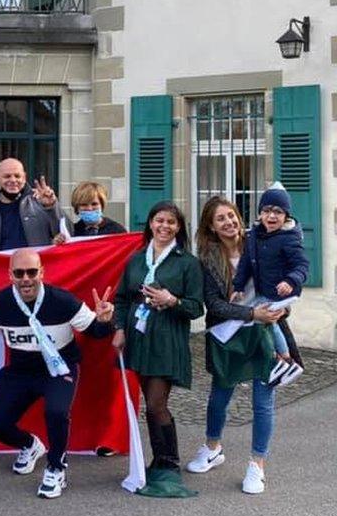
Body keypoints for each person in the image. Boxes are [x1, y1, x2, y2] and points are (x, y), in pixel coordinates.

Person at [0, 249, 116, 499]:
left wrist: (105, 320)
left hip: (59, 369)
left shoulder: (63, 301)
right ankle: (30, 445)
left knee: (56, 411)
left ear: (42, 273)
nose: (26, 278)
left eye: (32, 272)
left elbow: (96, 332)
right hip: (20, 371)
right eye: (19, 273)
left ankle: (57, 468)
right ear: (10, 276)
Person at [186, 196, 285, 494]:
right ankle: (213, 448)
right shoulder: (206, 259)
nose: (228, 222)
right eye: (220, 219)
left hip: (264, 332)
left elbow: (284, 284)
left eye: (231, 215)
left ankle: (257, 465)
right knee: (219, 397)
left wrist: (279, 309)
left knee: (262, 401)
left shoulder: (261, 244)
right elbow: (213, 304)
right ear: (211, 227)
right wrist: (250, 312)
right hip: (227, 334)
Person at [112, 201, 204, 497]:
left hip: (167, 339)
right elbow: (123, 299)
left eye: (171, 223)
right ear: (150, 223)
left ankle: (169, 462)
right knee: (148, 405)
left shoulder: (187, 262)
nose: (164, 227)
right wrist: (119, 329)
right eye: (159, 220)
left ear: (179, 228)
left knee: (156, 403)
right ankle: (158, 460)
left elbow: (196, 308)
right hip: (138, 339)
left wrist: (172, 300)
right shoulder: (136, 259)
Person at [231, 183, 309, 363]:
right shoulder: (253, 235)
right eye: (266, 210)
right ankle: (280, 357)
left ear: (286, 215)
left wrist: (290, 281)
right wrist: (238, 286)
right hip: (264, 289)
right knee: (262, 317)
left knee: (266, 318)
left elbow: (302, 265)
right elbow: (245, 263)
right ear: (260, 213)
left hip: (282, 292)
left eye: (278, 212)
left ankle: (285, 357)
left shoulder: (289, 238)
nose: (272, 216)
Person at [0, 157, 62, 250]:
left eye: (17, 176)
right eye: (7, 176)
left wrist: (52, 207)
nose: (13, 180)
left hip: (34, 266)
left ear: (24, 178)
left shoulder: (41, 205)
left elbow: (65, 234)